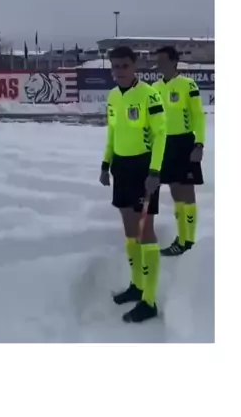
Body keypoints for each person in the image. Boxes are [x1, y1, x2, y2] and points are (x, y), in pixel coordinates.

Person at [100, 46, 167, 323]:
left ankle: (149, 301)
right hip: (121, 168)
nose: (119, 71)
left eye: (124, 66)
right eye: (115, 66)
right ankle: (137, 286)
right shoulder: (113, 96)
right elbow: (113, 132)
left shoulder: (149, 95)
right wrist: (105, 164)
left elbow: (161, 134)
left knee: (145, 231)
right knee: (130, 231)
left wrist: (155, 171)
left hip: (144, 169)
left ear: (134, 65)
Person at [154, 45, 205, 256]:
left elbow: (198, 116)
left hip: (184, 143)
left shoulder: (187, 85)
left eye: (164, 60)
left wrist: (199, 144)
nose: (160, 64)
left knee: (187, 192)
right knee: (175, 192)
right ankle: (181, 237)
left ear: (174, 62)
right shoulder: (155, 88)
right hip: (165, 144)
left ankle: (188, 240)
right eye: (158, 61)